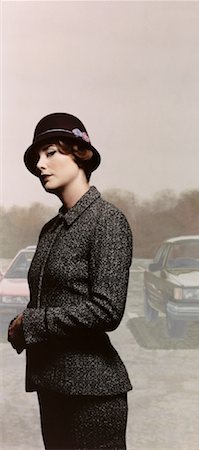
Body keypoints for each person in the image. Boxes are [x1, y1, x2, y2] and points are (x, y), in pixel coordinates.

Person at [8, 112, 133, 450]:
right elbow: (52, 298)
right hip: (52, 386)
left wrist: (32, 322)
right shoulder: (51, 230)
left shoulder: (108, 221)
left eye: (50, 153)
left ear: (80, 154)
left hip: (93, 393)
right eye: (36, 158)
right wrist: (24, 326)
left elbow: (107, 310)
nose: (40, 165)